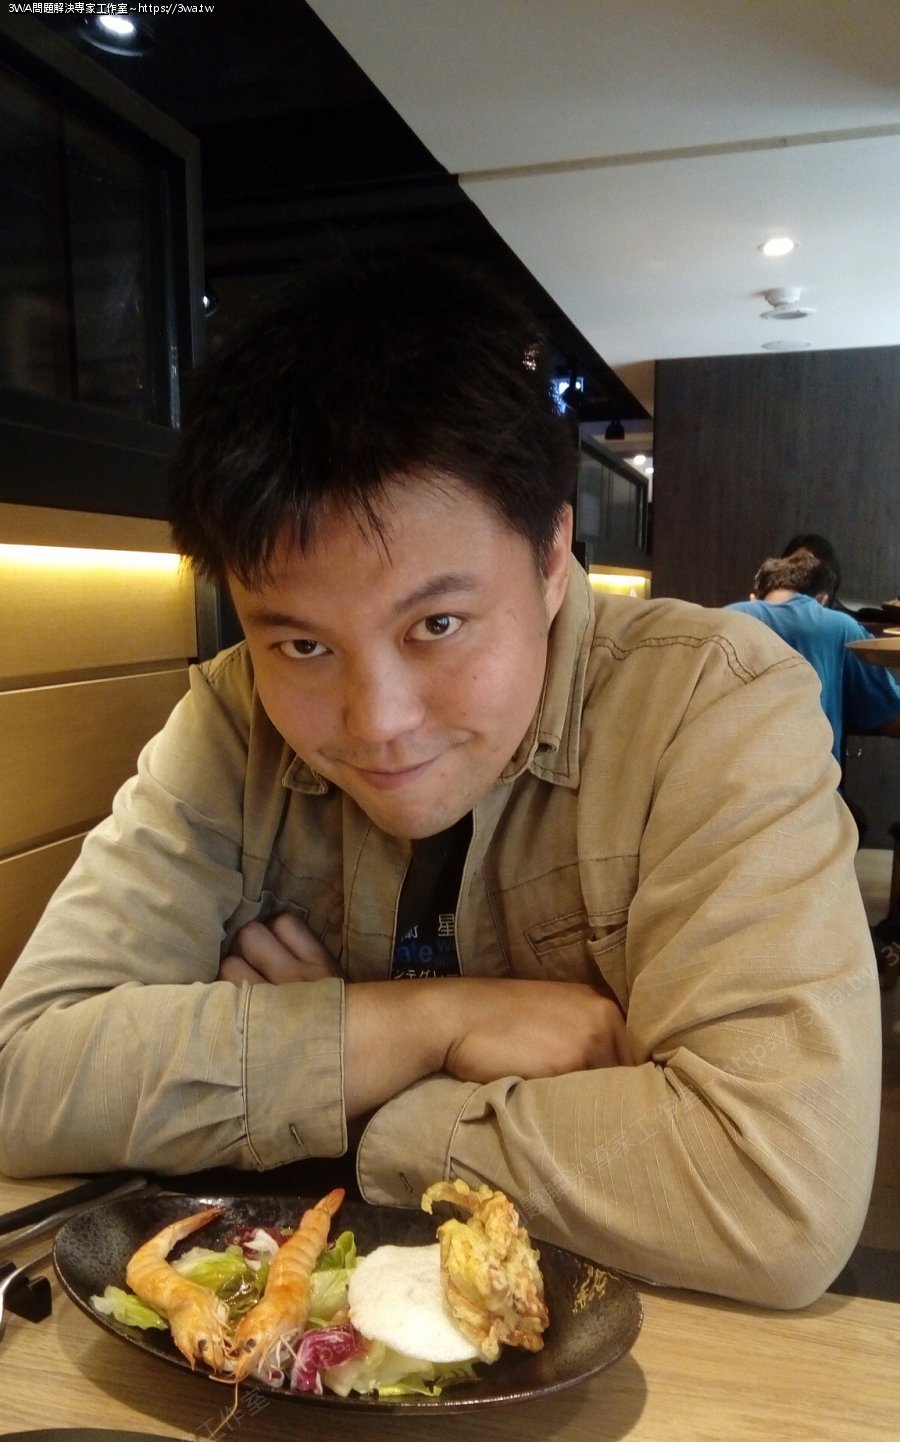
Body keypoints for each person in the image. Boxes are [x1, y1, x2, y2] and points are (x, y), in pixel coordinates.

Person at [0, 255, 882, 1309]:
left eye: (438, 623)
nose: (378, 720)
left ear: (551, 555)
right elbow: (24, 1071)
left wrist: (356, 1102)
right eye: (302, 645)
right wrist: (433, 1023)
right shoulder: (237, 718)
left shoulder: (712, 701)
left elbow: (777, 1195)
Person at [728, 552, 900, 764]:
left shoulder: (728, 619)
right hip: (812, 783)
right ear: (822, 600)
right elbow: (891, 715)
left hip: (727, 780)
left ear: (753, 598)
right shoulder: (841, 626)